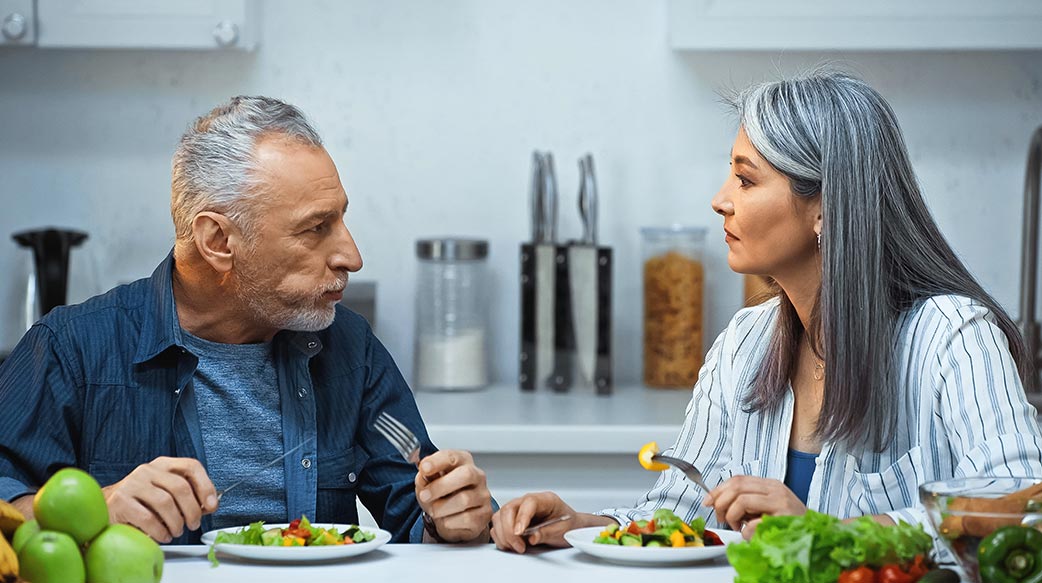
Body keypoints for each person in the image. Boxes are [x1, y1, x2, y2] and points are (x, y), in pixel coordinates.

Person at [491, 70, 1042, 553]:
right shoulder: (744, 343)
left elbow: (1025, 510)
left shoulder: (953, 338)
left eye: (746, 178)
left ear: (825, 206)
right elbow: (685, 510)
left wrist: (831, 534)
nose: (720, 199)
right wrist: (585, 527)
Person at [0, 96, 492, 545]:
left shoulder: (349, 346)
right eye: (316, 228)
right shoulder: (70, 348)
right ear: (217, 241)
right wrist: (96, 512)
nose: (352, 256)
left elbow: (419, 507)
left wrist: (450, 514)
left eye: (341, 220)